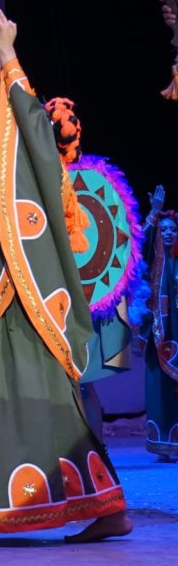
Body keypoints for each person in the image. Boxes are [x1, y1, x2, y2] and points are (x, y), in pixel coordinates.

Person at [0, 9, 131, 546]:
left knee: (52, 408)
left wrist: (11, 61)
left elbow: (28, 139)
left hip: (32, 294)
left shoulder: (48, 171)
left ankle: (98, 510)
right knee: (5, 403)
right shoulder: (1, 156)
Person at [141, 186, 178, 460]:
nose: (167, 233)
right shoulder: (153, 259)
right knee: (159, 387)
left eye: (173, 230)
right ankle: (163, 443)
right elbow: (137, 243)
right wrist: (154, 212)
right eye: (163, 229)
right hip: (159, 333)